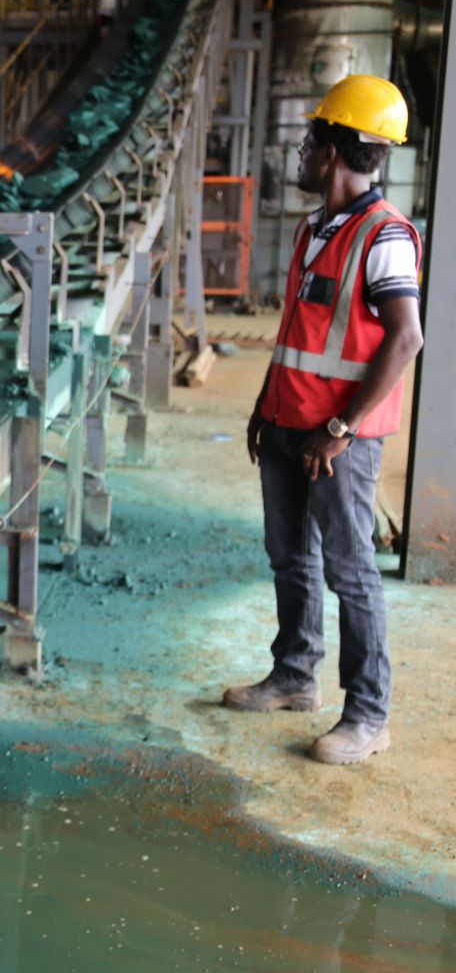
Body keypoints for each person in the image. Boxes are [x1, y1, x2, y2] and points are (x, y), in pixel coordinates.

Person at [224, 75, 424, 766]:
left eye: (311, 140)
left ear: (336, 150)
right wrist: (264, 407)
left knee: (350, 570)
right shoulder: (314, 230)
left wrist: (340, 429)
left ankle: (368, 716)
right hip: (287, 425)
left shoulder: (384, 235)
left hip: (338, 440)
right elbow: (299, 335)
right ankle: (294, 675)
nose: (302, 152)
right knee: (290, 556)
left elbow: (406, 339)